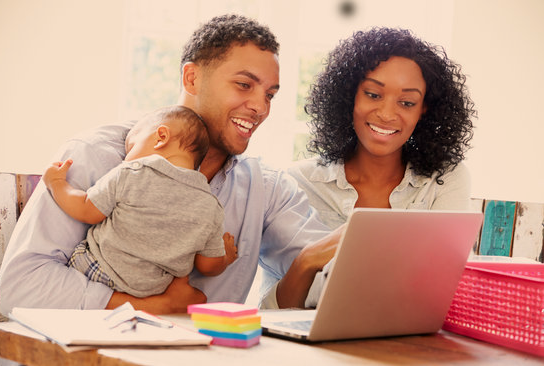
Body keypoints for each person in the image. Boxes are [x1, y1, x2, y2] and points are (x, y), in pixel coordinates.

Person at [0, 14, 338, 315]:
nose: (260, 107)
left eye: (270, 95)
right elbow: (18, 286)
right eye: (244, 85)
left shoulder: (267, 189)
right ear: (191, 79)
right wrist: (149, 308)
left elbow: (328, 269)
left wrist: (326, 262)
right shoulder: (96, 156)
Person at [288, 27, 476, 307]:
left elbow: (445, 289)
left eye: (407, 102)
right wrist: (306, 262)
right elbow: (275, 310)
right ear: (350, 95)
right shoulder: (298, 183)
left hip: (411, 344)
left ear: (424, 109)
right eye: (373, 95)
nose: (387, 114)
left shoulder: (444, 179)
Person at [42, 105, 238, 298]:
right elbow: (207, 265)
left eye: (131, 147)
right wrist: (226, 257)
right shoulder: (211, 207)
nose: (126, 157)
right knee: (196, 298)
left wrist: (57, 183)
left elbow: (86, 210)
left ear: (161, 137)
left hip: (98, 270)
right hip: (151, 292)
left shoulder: (133, 172)